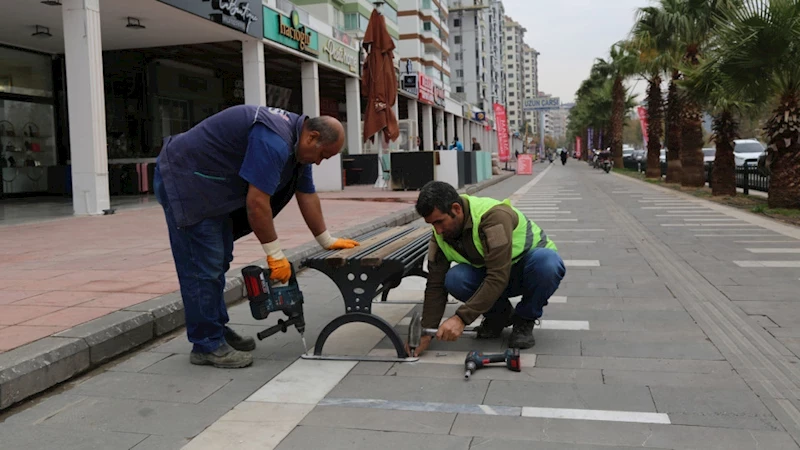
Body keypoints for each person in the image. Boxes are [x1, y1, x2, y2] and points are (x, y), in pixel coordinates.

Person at [153, 104, 360, 369]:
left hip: (212, 189)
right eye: (322, 155)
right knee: (202, 267)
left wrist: (326, 240)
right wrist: (275, 256)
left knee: (217, 261)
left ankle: (214, 329)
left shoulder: (299, 145)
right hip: (187, 180)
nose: (319, 162)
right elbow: (257, 203)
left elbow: (306, 193)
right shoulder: (273, 140)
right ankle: (206, 343)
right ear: (313, 137)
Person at [407, 181, 566, 356]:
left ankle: (524, 320)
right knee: (455, 278)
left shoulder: (493, 218)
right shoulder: (441, 236)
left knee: (548, 263)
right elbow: (435, 285)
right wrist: (426, 332)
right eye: (432, 224)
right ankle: (500, 316)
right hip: (493, 275)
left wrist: (461, 318)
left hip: (527, 271)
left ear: (456, 209)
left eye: (440, 222)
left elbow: (498, 275)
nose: (437, 230)